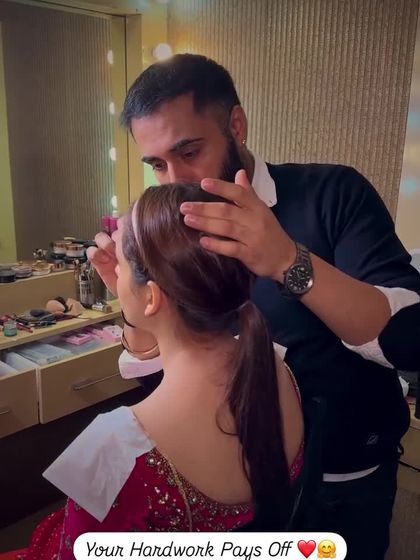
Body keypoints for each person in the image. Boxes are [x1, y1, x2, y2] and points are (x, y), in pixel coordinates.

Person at [89, 54, 420, 560]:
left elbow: (411, 341)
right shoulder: (175, 228)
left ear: (236, 126)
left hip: (342, 481)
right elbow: (163, 373)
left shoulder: (332, 193)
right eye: (156, 165)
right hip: (229, 493)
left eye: (189, 152)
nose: (173, 180)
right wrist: (133, 304)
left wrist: (288, 261)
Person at [16, 184, 304, 559]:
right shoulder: (276, 367)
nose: (116, 276)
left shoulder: (114, 448)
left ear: (152, 296)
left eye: (121, 265)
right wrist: (133, 300)